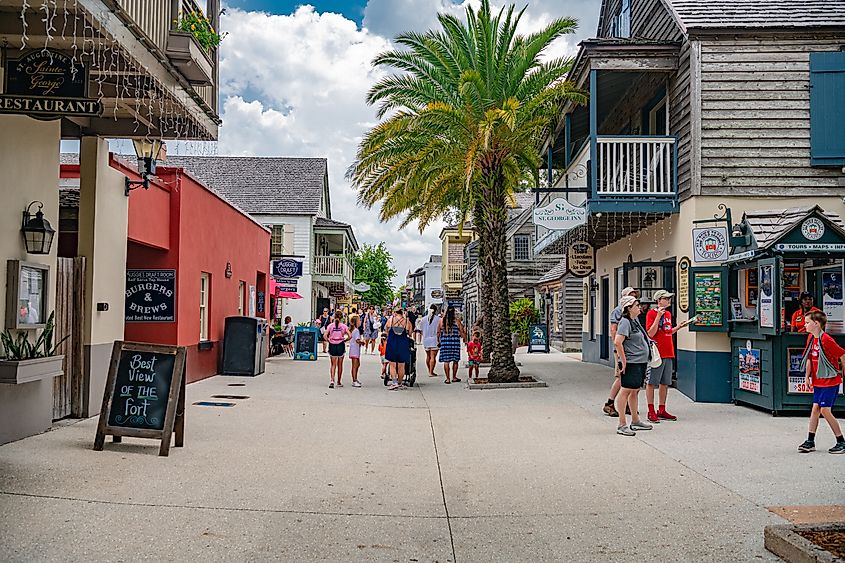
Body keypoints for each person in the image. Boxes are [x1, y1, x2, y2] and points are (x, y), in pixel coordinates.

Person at [645, 290, 696, 423]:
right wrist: (657, 317)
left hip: (668, 351)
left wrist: (678, 327)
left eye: (669, 298)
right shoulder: (651, 314)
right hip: (657, 353)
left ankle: (662, 409)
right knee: (651, 382)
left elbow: (667, 331)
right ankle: (651, 410)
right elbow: (651, 333)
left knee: (665, 382)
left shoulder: (668, 314)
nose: (669, 300)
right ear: (659, 300)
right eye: (666, 298)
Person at [798, 310, 845, 454]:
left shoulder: (826, 340)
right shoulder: (811, 339)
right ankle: (810, 441)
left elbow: (842, 354)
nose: (804, 325)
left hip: (830, 381)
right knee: (815, 409)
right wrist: (807, 376)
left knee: (825, 410)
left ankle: (841, 441)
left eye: (807, 323)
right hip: (818, 381)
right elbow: (810, 359)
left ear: (816, 324)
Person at [613, 295, 653, 436]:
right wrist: (623, 361)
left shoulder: (634, 321)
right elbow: (618, 341)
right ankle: (622, 423)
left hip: (640, 361)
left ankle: (635, 420)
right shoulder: (625, 322)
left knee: (635, 390)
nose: (639, 307)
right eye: (636, 305)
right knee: (625, 391)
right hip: (632, 362)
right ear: (628, 308)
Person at [603, 287, 638, 417]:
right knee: (620, 377)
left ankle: (629, 405)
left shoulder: (634, 313)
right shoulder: (618, 311)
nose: (634, 297)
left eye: (635, 295)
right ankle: (610, 403)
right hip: (623, 348)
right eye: (631, 295)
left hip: (632, 350)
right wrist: (617, 348)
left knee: (629, 379)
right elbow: (613, 329)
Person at [385, 309, 413, 390]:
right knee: (401, 365)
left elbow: (386, 331)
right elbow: (410, 333)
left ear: (395, 313)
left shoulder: (390, 320)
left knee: (392, 364)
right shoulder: (407, 321)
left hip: (392, 343)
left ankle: (394, 382)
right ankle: (400, 382)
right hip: (403, 344)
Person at [438, 305, 466, 384]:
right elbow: (461, 331)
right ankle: (454, 377)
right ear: (453, 312)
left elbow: (438, 332)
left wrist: (438, 341)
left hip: (445, 343)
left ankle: (447, 378)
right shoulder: (457, 321)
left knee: (446, 361)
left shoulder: (442, 321)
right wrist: (465, 340)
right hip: (455, 343)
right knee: (455, 361)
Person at [322, 311, 350, 388]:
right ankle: (339, 381)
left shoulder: (330, 326)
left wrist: (328, 340)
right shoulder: (344, 326)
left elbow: (325, 335)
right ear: (342, 318)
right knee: (340, 364)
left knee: (333, 364)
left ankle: (332, 380)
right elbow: (350, 335)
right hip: (340, 344)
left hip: (332, 345)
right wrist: (345, 340)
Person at [419, 304, 441, 377]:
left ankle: (429, 370)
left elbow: (421, 330)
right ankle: (431, 372)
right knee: (433, 357)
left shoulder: (423, 319)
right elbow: (439, 330)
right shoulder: (438, 319)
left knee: (428, 356)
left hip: (426, 339)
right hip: (434, 339)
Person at [348, 315, 364, 388]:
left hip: (354, 349)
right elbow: (357, 340)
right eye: (359, 320)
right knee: (355, 365)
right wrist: (362, 342)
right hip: (355, 349)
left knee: (357, 364)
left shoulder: (353, 330)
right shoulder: (356, 330)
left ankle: (355, 378)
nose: (360, 322)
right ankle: (354, 380)